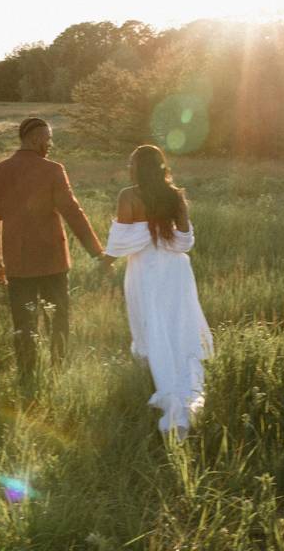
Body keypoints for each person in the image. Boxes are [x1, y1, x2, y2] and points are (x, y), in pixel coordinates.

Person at [0, 117, 108, 381]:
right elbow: (73, 213)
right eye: (48, 139)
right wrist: (97, 252)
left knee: (24, 323)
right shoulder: (52, 170)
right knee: (58, 321)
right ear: (36, 139)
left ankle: (27, 376)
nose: (50, 145)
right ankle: (58, 373)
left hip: (17, 262)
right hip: (52, 260)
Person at [102, 145, 213, 439]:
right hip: (175, 270)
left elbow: (120, 241)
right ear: (161, 167)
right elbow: (186, 240)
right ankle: (181, 386)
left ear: (136, 167)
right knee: (177, 322)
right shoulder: (175, 196)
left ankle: (158, 377)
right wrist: (161, 238)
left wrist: (104, 262)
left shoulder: (128, 196)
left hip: (145, 269)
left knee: (149, 319)